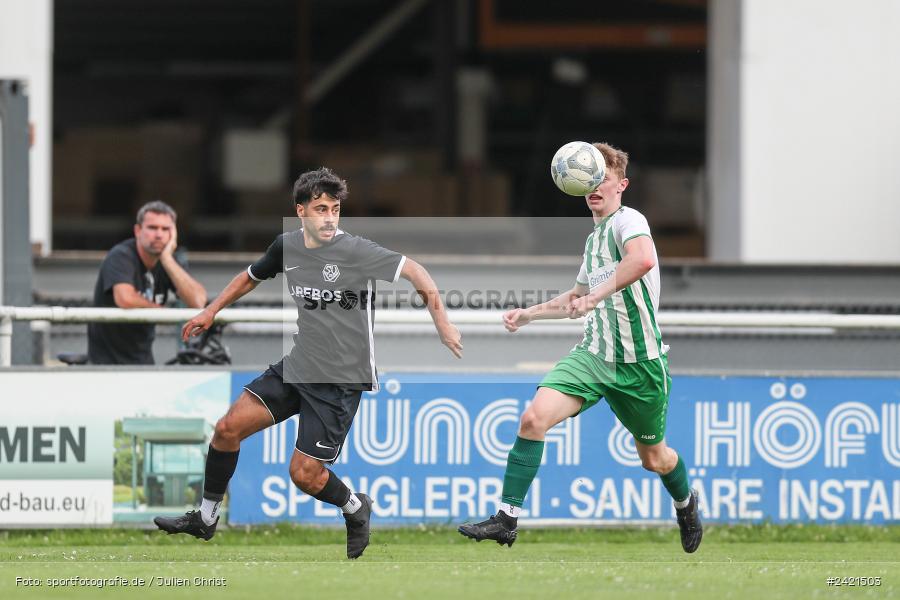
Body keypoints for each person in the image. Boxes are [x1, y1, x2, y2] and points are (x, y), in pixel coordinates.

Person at [154, 167, 463, 559]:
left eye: (335, 209)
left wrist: (443, 324)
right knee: (227, 429)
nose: (329, 217)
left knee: (304, 475)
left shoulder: (355, 251)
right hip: (299, 364)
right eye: (321, 209)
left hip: (341, 378)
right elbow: (250, 276)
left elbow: (416, 272)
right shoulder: (286, 246)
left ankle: (355, 506)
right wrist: (211, 310)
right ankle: (206, 517)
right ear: (300, 211)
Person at [457, 143, 702, 553]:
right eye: (589, 178)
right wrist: (530, 314)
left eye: (603, 178)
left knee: (654, 459)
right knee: (533, 419)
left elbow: (641, 260)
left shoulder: (629, 221)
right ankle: (506, 519)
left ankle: (685, 502)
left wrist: (595, 296)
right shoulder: (593, 242)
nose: (594, 186)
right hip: (593, 356)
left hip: (640, 365)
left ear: (621, 185)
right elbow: (576, 298)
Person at [87, 201, 207, 364]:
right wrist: (161, 312)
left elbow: (198, 301)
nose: (159, 234)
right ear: (138, 231)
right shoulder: (121, 255)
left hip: (143, 359)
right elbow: (125, 298)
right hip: (106, 362)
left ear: (174, 233)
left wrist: (167, 259)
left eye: (165, 229)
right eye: (152, 228)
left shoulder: (170, 262)